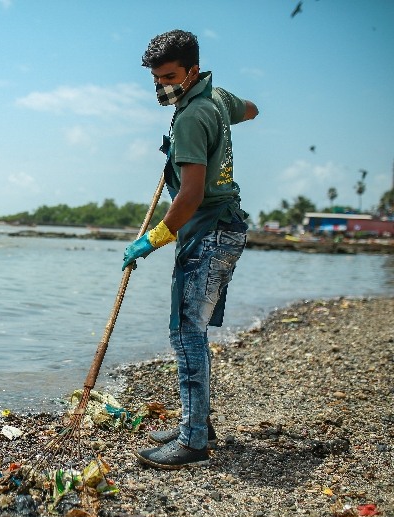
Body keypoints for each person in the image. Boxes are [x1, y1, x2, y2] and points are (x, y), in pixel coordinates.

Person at [122, 29, 259, 469]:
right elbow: (251, 110)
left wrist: (153, 239)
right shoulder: (214, 98)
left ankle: (194, 441)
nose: (163, 87)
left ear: (192, 71)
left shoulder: (190, 118)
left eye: (170, 77)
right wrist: (219, 121)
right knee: (191, 330)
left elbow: (191, 195)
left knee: (185, 333)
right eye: (157, 79)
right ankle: (195, 423)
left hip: (209, 229)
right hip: (226, 227)